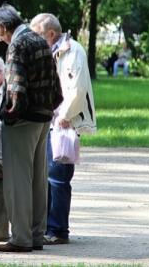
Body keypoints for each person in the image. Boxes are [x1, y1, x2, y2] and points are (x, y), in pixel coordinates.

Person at [0, 4, 63, 253]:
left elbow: (16, 88)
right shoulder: (40, 40)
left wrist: (9, 115)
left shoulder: (17, 45)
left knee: (18, 181)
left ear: (2, 26)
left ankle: (20, 238)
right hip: (43, 118)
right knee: (38, 180)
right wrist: (48, 109)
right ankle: (36, 235)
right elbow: (56, 85)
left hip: (23, 121)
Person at [30, 13, 97, 245]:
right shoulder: (50, 50)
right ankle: (49, 227)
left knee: (58, 177)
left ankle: (58, 230)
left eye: (37, 33)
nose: (33, 38)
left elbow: (77, 89)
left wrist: (65, 116)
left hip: (62, 123)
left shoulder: (73, 50)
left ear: (50, 34)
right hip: (49, 121)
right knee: (47, 177)